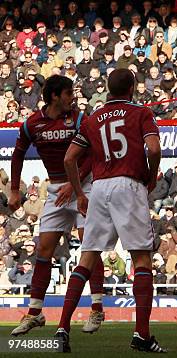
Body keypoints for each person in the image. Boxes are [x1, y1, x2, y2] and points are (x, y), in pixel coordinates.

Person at [55, 69, 166, 353]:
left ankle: (62, 327)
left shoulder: (92, 119)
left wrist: (80, 192)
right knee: (141, 258)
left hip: (100, 187)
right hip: (128, 184)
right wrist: (152, 176)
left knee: (87, 258)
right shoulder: (141, 113)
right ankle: (142, 334)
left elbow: (70, 158)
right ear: (132, 87)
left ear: (108, 89)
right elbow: (153, 149)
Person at [10, 75, 105, 337]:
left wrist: (74, 183)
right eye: (67, 93)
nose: (72, 97)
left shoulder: (78, 119)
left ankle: (97, 307)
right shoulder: (32, 124)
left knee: (90, 244)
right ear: (54, 96)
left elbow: (94, 154)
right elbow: (17, 154)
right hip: (56, 190)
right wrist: (15, 189)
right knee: (43, 248)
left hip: (84, 188)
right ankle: (35, 312)